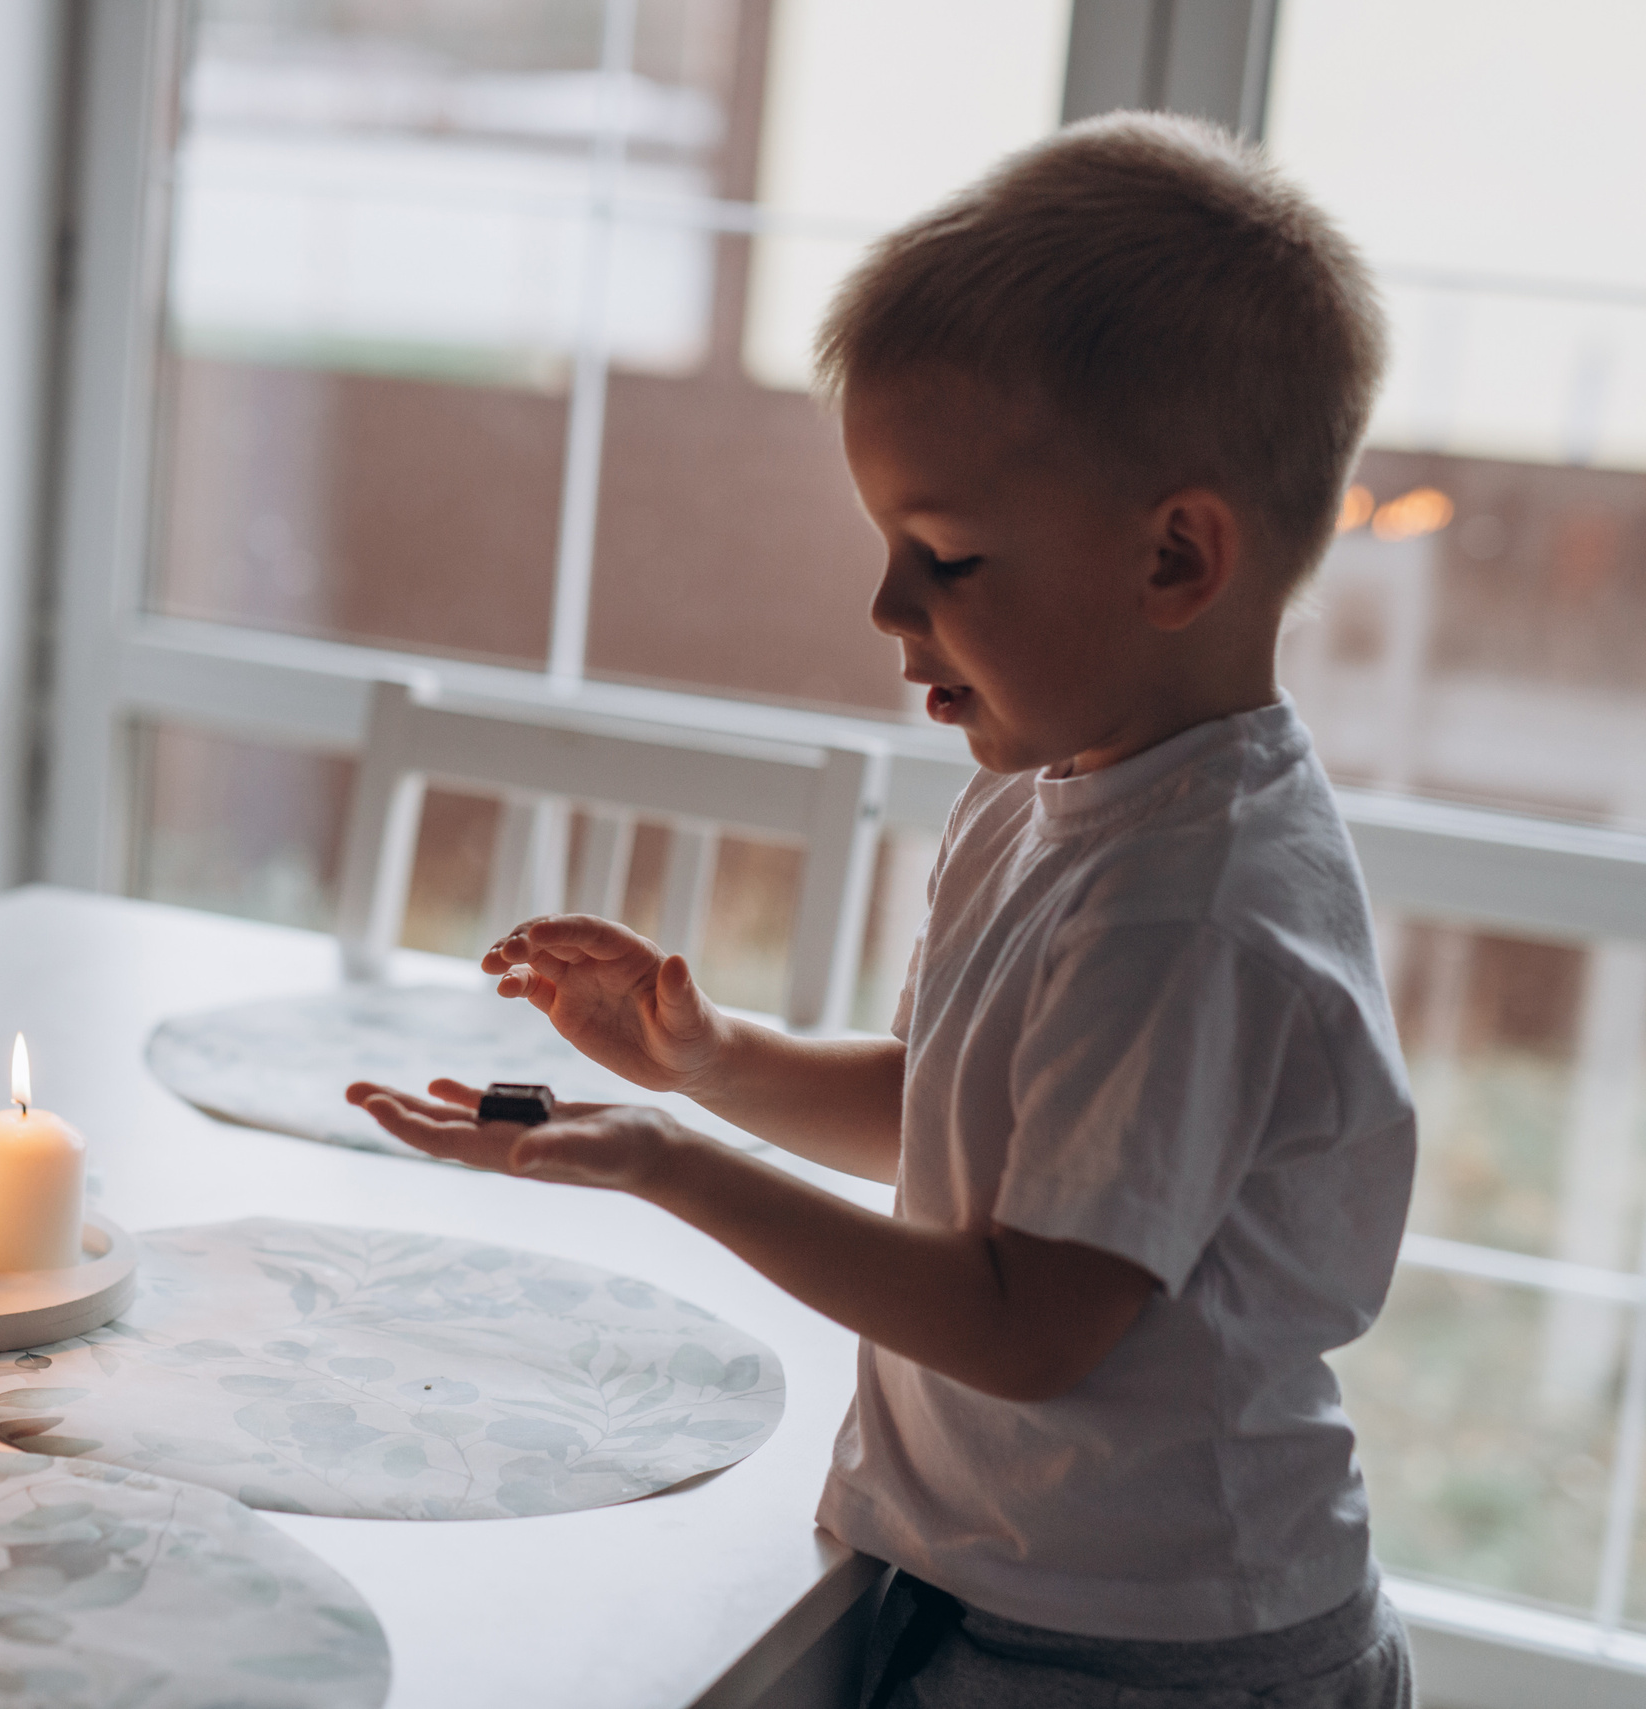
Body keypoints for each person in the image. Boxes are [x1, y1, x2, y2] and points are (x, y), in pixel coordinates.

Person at [350, 114, 1416, 1706]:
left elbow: (1024, 1322)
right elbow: (952, 1122)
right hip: (988, 1580)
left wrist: (668, 1163)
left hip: (1167, 1648)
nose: (886, 609)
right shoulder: (1046, 782)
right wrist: (707, 1056)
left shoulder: (1194, 909)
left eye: (948, 557)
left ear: (1178, 558)